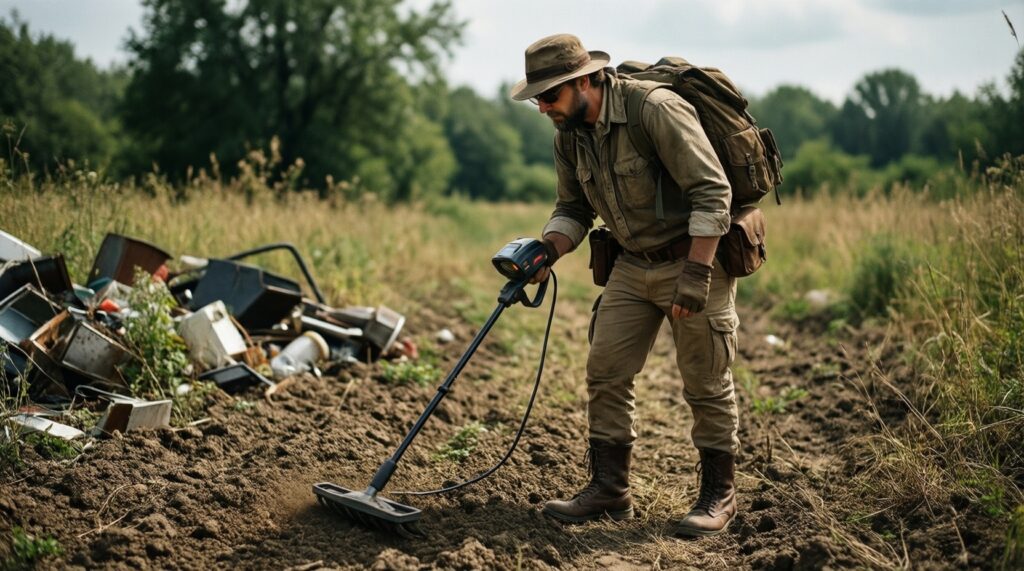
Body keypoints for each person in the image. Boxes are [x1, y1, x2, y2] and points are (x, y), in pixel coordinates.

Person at [509, 34, 740, 537]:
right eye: (537, 99)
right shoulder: (569, 135)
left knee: (705, 381)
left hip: (693, 257)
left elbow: (712, 192)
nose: (543, 107)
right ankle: (610, 489)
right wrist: (546, 251)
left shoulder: (654, 110)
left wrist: (697, 272)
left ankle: (719, 494)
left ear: (585, 81)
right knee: (606, 370)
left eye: (549, 95)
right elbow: (572, 208)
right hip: (632, 264)